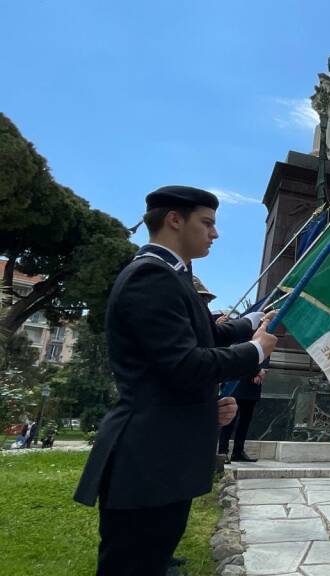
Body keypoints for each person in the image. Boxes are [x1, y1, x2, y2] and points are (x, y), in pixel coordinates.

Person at [73, 185, 279, 576]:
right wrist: (256, 351)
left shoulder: (171, 276)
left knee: (152, 555)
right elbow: (183, 363)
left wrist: (257, 319)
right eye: (207, 223)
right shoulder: (150, 277)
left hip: (162, 454)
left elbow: (207, 336)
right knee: (133, 563)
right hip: (148, 456)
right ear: (174, 220)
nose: (214, 234)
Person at [218, 368, 266, 463]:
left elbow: (266, 358)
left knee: (245, 421)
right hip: (236, 381)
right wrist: (256, 370)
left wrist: (262, 372)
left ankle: (238, 452)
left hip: (253, 386)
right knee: (229, 420)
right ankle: (223, 452)